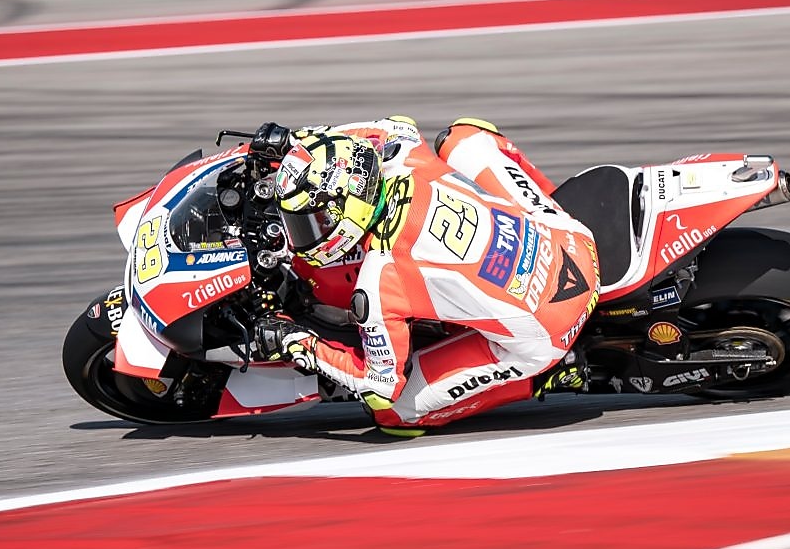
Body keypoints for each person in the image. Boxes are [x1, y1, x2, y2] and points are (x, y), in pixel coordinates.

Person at [253, 116, 599, 437]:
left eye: (314, 221)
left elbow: (380, 385)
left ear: (347, 210)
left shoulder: (381, 279)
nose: (302, 235)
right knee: (462, 136)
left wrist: (299, 345)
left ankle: (544, 375)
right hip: (570, 239)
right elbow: (391, 124)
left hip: (551, 326)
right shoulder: (403, 152)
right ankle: (557, 200)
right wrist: (302, 141)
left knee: (394, 414)